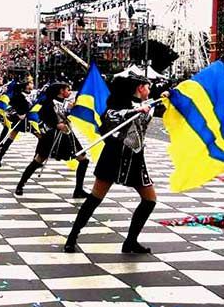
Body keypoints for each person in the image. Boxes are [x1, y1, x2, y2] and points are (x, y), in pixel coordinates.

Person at [65, 76, 168, 254]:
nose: (149, 91)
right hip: (114, 156)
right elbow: (112, 115)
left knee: (149, 200)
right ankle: (72, 237)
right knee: (95, 198)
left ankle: (131, 241)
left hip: (135, 158)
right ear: (140, 88)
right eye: (147, 87)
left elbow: (157, 104)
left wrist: (169, 94)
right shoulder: (117, 107)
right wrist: (134, 111)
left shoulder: (146, 105)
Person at [15, 82, 90, 198]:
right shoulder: (48, 102)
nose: (69, 92)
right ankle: (20, 185)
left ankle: (78, 190)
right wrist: (56, 124)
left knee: (84, 160)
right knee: (38, 160)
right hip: (51, 135)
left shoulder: (65, 103)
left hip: (67, 134)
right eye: (67, 90)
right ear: (61, 91)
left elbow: (70, 111)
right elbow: (41, 116)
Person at [0, 80, 38, 167]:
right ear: (26, 85)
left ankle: (36, 160)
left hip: (30, 120)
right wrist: (17, 115)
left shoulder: (33, 95)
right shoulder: (18, 95)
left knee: (40, 137)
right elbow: (9, 107)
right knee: (10, 138)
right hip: (20, 120)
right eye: (31, 83)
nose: (32, 85)